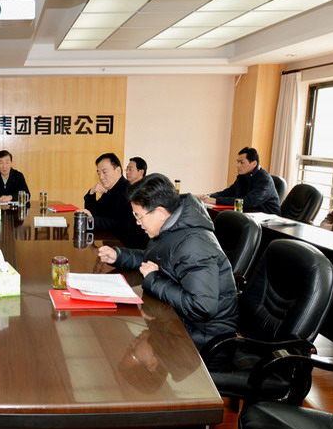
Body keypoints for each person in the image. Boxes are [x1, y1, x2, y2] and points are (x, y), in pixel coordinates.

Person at [98, 173, 238, 357]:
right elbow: (156, 259)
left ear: (160, 213)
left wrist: (154, 280)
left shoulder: (194, 245)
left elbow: (202, 306)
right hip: (180, 320)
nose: (138, 223)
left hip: (203, 339)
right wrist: (119, 255)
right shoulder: (173, 225)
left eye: (139, 216)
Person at [82, 152, 148, 249]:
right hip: (111, 243)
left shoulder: (128, 192)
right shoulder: (111, 189)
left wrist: (92, 220)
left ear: (117, 170)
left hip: (127, 248)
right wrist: (92, 192)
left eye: (104, 172)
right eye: (98, 173)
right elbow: (94, 212)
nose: (101, 177)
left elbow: (122, 225)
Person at [199, 147, 280, 214]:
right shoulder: (243, 176)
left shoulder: (264, 179)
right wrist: (209, 196)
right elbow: (229, 192)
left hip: (268, 220)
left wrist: (216, 200)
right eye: (238, 162)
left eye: (241, 162)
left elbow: (248, 202)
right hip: (249, 214)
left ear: (254, 164)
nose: (238, 166)